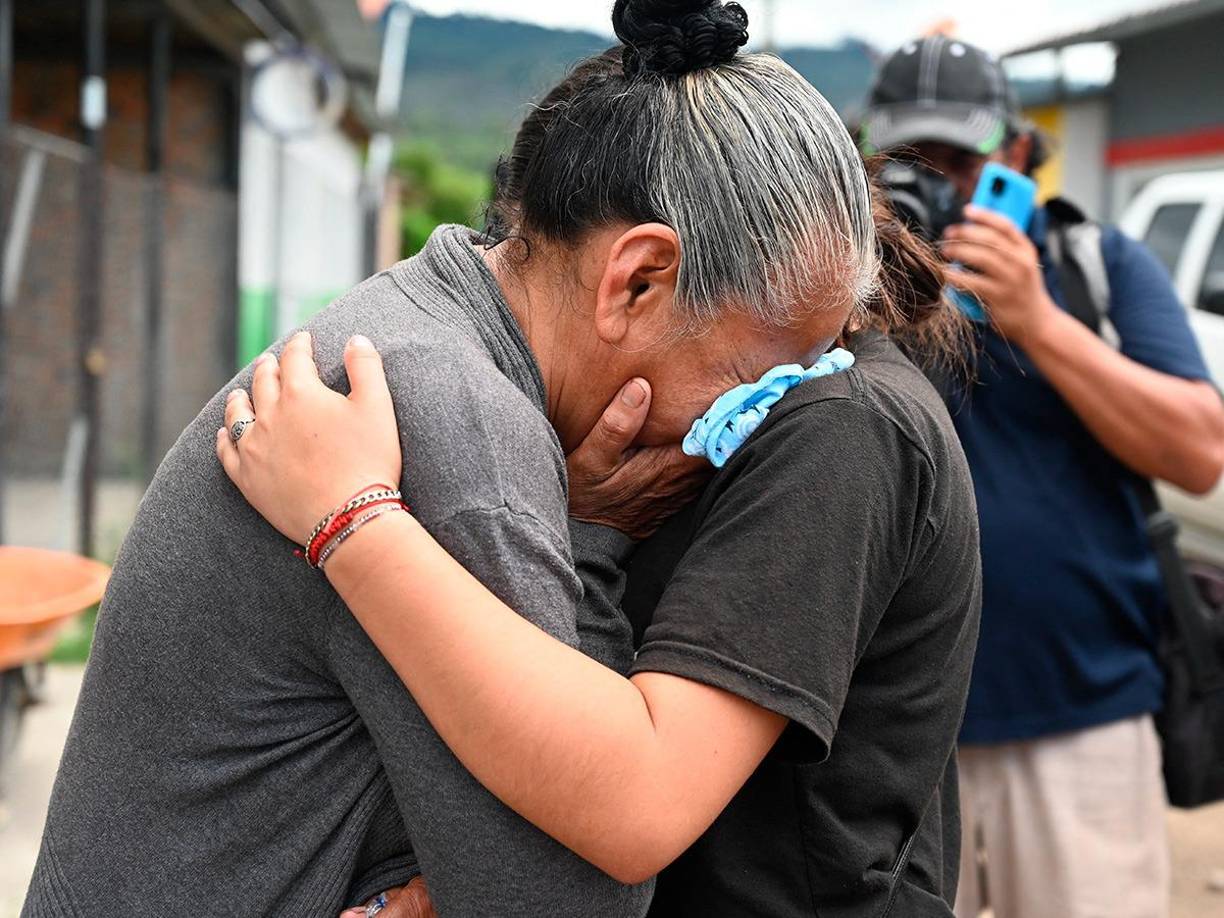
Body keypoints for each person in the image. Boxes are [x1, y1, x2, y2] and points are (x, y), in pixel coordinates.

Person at [22, 2, 941, 916]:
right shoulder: (459, 441)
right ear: (638, 280)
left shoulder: (418, 320)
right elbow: (574, 903)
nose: (750, 426)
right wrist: (588, 544)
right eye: (753, 378)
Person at [861, 36, 1224, 918]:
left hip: (1081, 716)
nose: (935, 185)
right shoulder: (846, 283)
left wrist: (1041, 324)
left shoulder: (1091, 266)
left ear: (1018, 157)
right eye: (909, 161)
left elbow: (1199, 451)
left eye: (960, 159)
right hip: (891, 730)